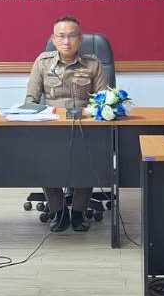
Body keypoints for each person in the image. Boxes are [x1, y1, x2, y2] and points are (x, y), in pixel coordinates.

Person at [24, 16, 109, 232]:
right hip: (52, 129)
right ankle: (58, 211)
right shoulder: (42, 63)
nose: (66, 41)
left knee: (88, 158)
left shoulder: (93, 64)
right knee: (44, 162)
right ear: (53, 39)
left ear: (80, 39)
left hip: (85, 128)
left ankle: (78, 213)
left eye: (71, 36)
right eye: (61, 36)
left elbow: (104, 101)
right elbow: (30, 101)